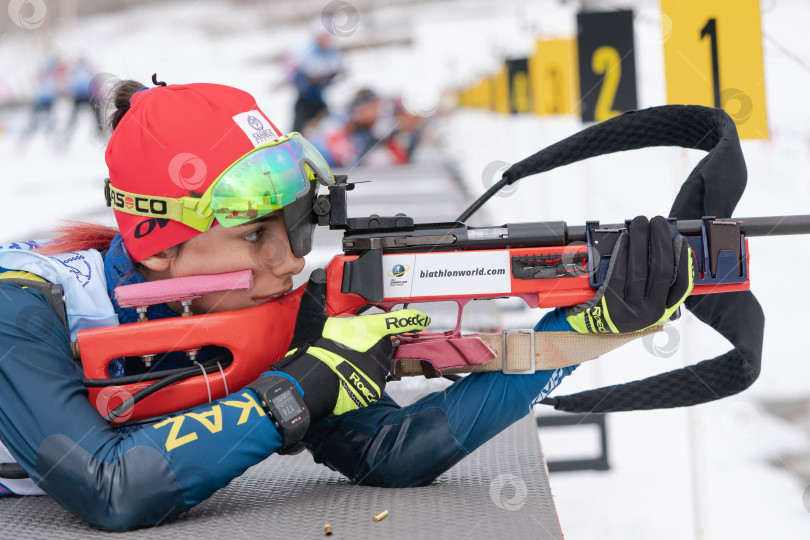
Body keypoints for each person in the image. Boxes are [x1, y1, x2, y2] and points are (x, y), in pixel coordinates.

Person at [0, 80, 694, 531]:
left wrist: (585, 332)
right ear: (155, 246)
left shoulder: (271, 310)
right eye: (253, 236)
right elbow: (109, 486)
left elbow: (392, 455)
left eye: (296, 227)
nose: (288, 261)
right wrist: (295, 394)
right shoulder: (24, 307)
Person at [287, 30, 343, 133]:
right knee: (297, 131)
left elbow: (338, 73)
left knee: (327, 128)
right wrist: (310, 80)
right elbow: (295, 76)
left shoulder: (331, 53)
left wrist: (329, 77)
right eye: (323, 38)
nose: (326, 41)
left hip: (319, 101)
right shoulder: (306, 51)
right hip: (305, 100)